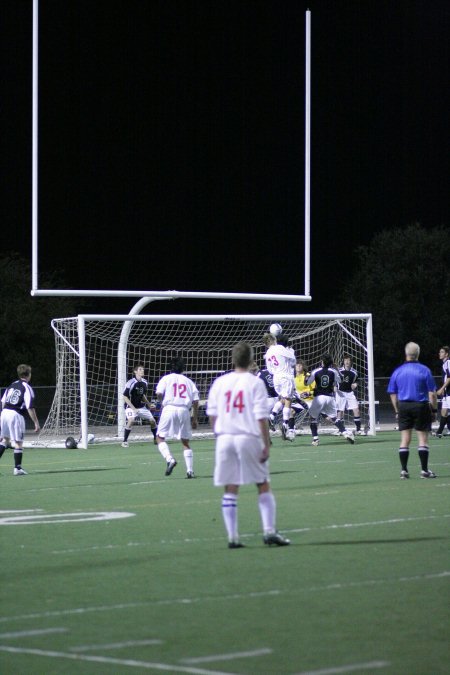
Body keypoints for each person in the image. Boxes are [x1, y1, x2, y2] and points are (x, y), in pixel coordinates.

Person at [207, 341, 290, 548]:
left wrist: (219, 433)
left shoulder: (220, 382)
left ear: (233, 359)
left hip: (225, 438)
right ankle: (269, 532)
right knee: (262, 483)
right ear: (251, 359)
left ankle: (233, 537)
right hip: (248, 437)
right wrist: (266, 444)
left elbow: (212, 415)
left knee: (230, 487)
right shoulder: (255, 383)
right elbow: (261, 418)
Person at [387, 342, 437, 479]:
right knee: (422, 439)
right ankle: (424, 471)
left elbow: (393, 393)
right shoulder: (424, 370)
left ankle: (404, 470)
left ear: (406, 354)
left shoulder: (398, 371)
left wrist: (397, 410)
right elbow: (432, 394)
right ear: (418, 354)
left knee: (405, 439)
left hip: (404, 406)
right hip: (420, 406)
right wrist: (434, 410)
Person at [155, 357, 199, 478]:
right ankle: (190, 471)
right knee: (185, 442)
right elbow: (196, 401)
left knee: (159, 437)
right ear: (183, 368)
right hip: (184, 410)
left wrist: (161, 401)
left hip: (169, 408)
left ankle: (170, 459)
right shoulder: (189, 381)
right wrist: (194, 418)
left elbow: (158, 393)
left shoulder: (166, 378)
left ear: (170, 368)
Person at [0, 364, 40, 475]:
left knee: (4, 440)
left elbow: (3, 401)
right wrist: (36, 423)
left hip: (4, 413)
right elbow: (29, 406)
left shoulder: (12, 385)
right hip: (15, 414)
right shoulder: (27, 387)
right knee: (18, 442)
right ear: (29, 375)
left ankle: (17, 468)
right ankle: (17, 469)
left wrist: (3, 416)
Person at [307, 354, 355, 446]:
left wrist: (306, 377)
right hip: (330, 398)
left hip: (319, 397)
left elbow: (307, 382)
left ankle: (315, 439)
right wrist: (337, 369)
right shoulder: (333, 371)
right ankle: (345, 433)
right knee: (335, 418)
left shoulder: (316, 371)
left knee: (313, 418)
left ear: (322, 361)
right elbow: (341, 380)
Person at [265, 333, 297, 441]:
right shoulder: (282, 349)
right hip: (285, 377)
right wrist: (290, 351)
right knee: (288, 400)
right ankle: (285, 424)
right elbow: (293, 360)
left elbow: (269, 369)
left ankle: (272, 417)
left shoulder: (269, 352)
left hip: (276, 378)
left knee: (282, 399)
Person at [122, 364, 157, 447]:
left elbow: (142, 396)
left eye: (143, 369)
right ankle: (124, 441)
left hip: (141, 407)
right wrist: (133, 409)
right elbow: (125, 397)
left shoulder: (145, 382)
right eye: (140, 369)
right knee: (131, 420)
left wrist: (149, 404)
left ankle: (156, 438)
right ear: (135, 371)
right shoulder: (130, 382)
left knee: (153, 421)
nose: (142, 371)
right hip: (130, 407)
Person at [336, 354, 363, 434]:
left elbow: (357, 380)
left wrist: (356, 384)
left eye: (349, 360)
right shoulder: (339, 371)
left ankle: (358, 430)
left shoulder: (354, 372)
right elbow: (334, 379)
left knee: (356, 410)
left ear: (351, 362)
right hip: (340, 393)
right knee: (340, 412)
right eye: (346, 360)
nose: (347, 362)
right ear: (343, 362)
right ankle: (340, 430)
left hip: (350, 393)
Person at [435, 345, 450, 438]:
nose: (439, 353)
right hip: (446, 391)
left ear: (446, 354)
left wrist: (441, 388)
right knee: (444, 412)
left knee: (445, 411)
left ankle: (439, 432)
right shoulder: (444, 364)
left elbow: (449, 378)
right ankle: (441, 431)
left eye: (442, 352)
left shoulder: (448, 362)